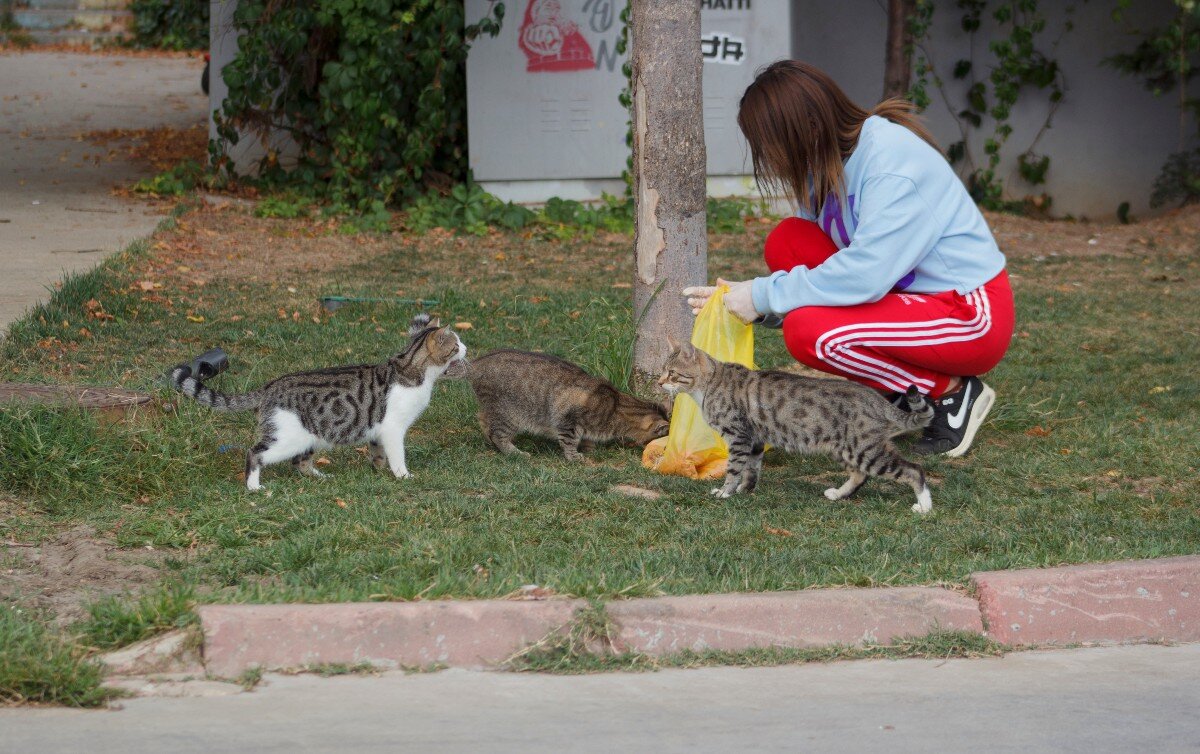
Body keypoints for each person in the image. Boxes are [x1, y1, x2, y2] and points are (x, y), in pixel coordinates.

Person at [683, 61, 1014, 457]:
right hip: (903, 298)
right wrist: (759, 306)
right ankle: (897, 387)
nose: (768, 158)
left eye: (769, 143)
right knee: (788, 242)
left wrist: (762, 294)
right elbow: (822, 272)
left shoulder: (891, 162)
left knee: (813, 335)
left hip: (968, 314)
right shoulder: (823, 166)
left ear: (805, 129)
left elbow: (865, 275)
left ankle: (953, 392)